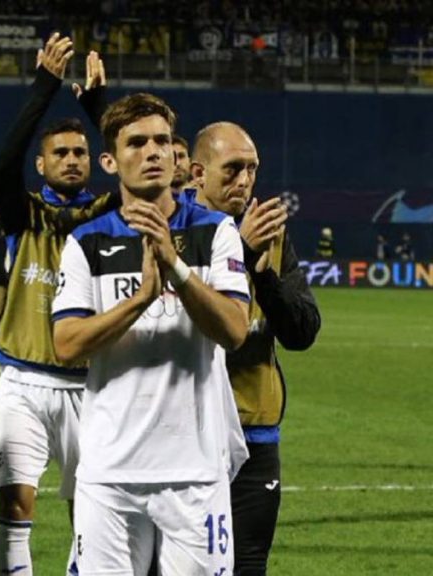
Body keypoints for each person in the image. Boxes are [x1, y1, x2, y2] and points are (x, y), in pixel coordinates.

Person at [52, 93, 251, 576]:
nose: (153, 152)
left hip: (195, 472)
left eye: (161, 141)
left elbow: (234, 330)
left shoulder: (215, 231)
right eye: (136, 143)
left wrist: (175, 267)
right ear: (110, 161)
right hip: (110, 473)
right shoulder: (86, 242)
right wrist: (140, 299)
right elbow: (66, 345)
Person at [0, 34, 116, 576]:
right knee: (15, 508)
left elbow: (140, 163)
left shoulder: (109, 216)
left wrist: (98, 106)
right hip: (23, 383)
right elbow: (3, 164)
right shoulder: (24, 215)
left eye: (80, 152)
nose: (71, 159)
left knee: (91, 513)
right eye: (59, 153)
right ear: (40, 165)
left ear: (95, 160)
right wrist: (45, 85)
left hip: (94, 386)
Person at [190, 121, 321, 576]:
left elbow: (302, 331)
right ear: (197, 174)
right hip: (189, 432)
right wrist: (240, 252)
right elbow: (189, 332)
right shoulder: (178, 232)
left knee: (248, 567)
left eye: (252, 169)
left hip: (255, 430)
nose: (244, 181)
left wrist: (262, 275)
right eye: (232, 169)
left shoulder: (271, 232)